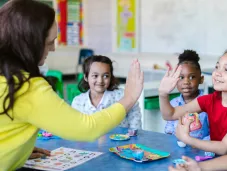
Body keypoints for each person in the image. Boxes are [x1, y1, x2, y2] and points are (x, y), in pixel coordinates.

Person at [0, 0, 143, 170]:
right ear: (29, 43)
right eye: (49, 42)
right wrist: (130, 98)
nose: (53, 49)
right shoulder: (27, 87)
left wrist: (16, 149)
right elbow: (87, 129)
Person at [159, 46, 227, 155]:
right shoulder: (210, 100)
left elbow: (224, 147)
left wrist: (187, 139)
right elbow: (170, 115)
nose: (217, 73)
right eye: (217, 67)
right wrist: (163, 94)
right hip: (217, 161)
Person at [72, 55, 142, 130]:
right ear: (86, 77)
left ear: (111, 77)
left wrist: (134, 135)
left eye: (105, 76)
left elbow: (134, 114)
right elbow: (76, 128)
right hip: (90, 141)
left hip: (123, 141)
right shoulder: (78, 102)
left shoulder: (121, 96)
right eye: (95, 76)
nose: (100, 80)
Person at [164, 50, 209, 146]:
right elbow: (168, 130)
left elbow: (213, 134)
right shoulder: (173, 104)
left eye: (192, 77)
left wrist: (200, 144)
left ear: (201, 79)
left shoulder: (208, 104)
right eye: (181, 77)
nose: (186, 82)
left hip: (201, 151)